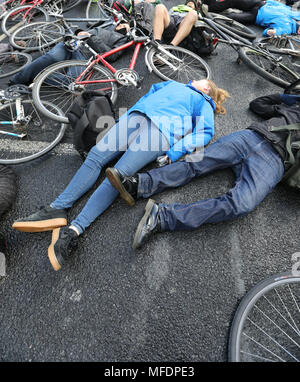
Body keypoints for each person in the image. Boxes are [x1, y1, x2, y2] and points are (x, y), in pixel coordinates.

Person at [12, 79, 230, 271]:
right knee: (96, 156)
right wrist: (127, 116)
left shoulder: (203, 101)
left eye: (201, 80)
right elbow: (149, 93)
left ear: (207, 88)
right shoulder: (173, 84)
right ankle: (58, 208)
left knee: (118, 176)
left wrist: (175, 151)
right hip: (136, 117)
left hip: (161, 132)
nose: (195, 79)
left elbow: (204, 132)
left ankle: (74, 229)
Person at [106, 93, 300, 250]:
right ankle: (139, 184)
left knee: (240, 204)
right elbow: (257, 104)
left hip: (275, 161)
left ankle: (162, 217)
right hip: (253, 136)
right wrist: (286, 102)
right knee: (196, 163)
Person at [9, 20, 131, 86]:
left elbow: (112, 55)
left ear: (127, 30)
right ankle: (17, 80)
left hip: (86, 55)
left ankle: (40, 76)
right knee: (51, 56)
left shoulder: (122, 39)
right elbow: (84, 30)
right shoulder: (107, 26)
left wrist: (91, 37)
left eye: (124, 24)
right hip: (73, 43)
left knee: (71, 81)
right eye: (120, 23)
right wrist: (80, 32)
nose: (120, 24)